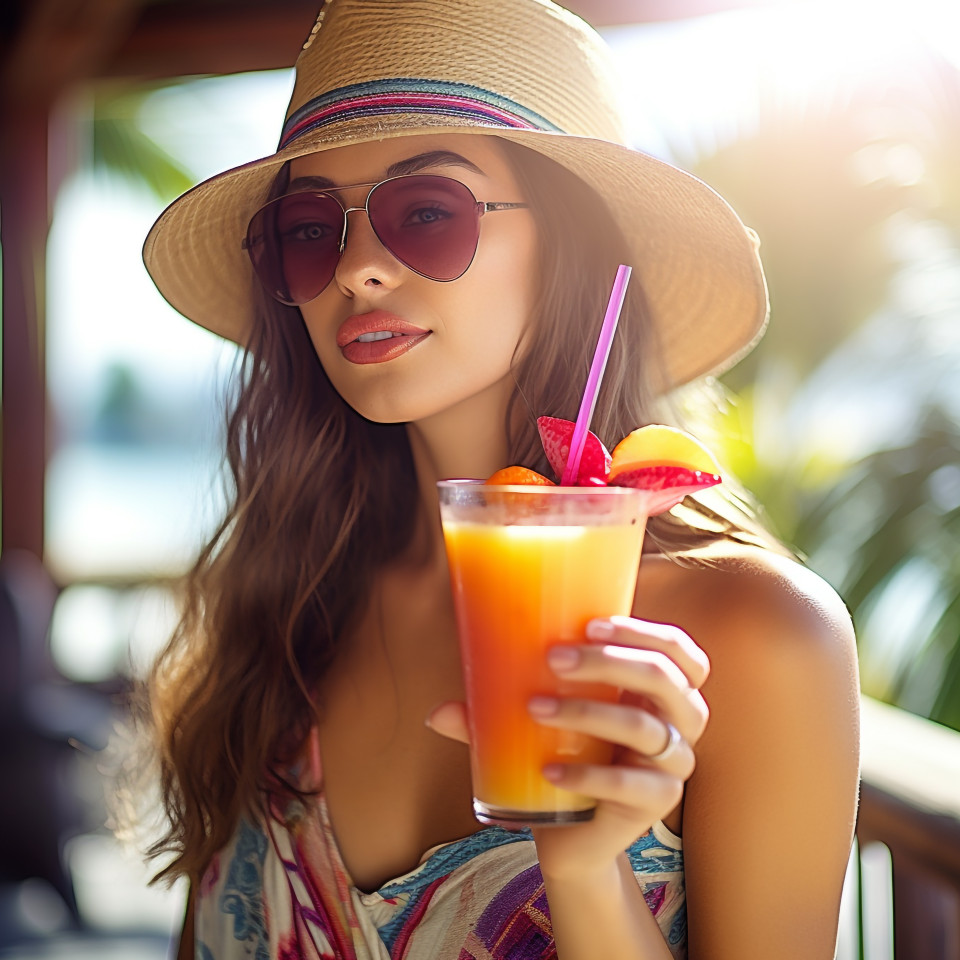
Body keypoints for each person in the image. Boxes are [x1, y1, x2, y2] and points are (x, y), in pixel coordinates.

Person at [139, 1, 860, 957]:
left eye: (427, 213)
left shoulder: (763, 644)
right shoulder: (280, 609)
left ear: (572, 245)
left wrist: (587, 872)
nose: (357, 269)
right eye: (310, 230)